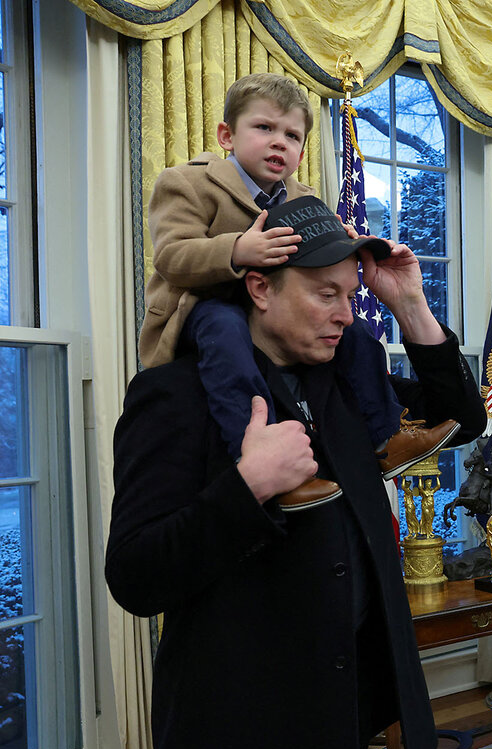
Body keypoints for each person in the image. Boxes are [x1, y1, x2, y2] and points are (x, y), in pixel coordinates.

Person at [106, 196, 487, 749]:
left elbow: (464, 420)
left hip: (341, 711)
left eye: (350, 294)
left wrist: (410, 303)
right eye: (323, 294)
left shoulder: (340, 381)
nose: (345, 314)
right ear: (260, 288)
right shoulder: (173, 395)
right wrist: (248, 485)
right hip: (241, 733)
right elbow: (134, 575)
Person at [140, 72, 458, 512]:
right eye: (264, 128)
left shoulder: (302, 197)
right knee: (225, 331)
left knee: (358, 334)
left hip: (271, 314)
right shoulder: (188, 183)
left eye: (291, 135)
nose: (278, 143)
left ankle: (387, 437)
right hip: (206, 304)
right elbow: (171, 256)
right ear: (226, 136)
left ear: (303, 151)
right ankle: (261, 452)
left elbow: (316, 263)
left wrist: (339, 242)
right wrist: (237, 249)